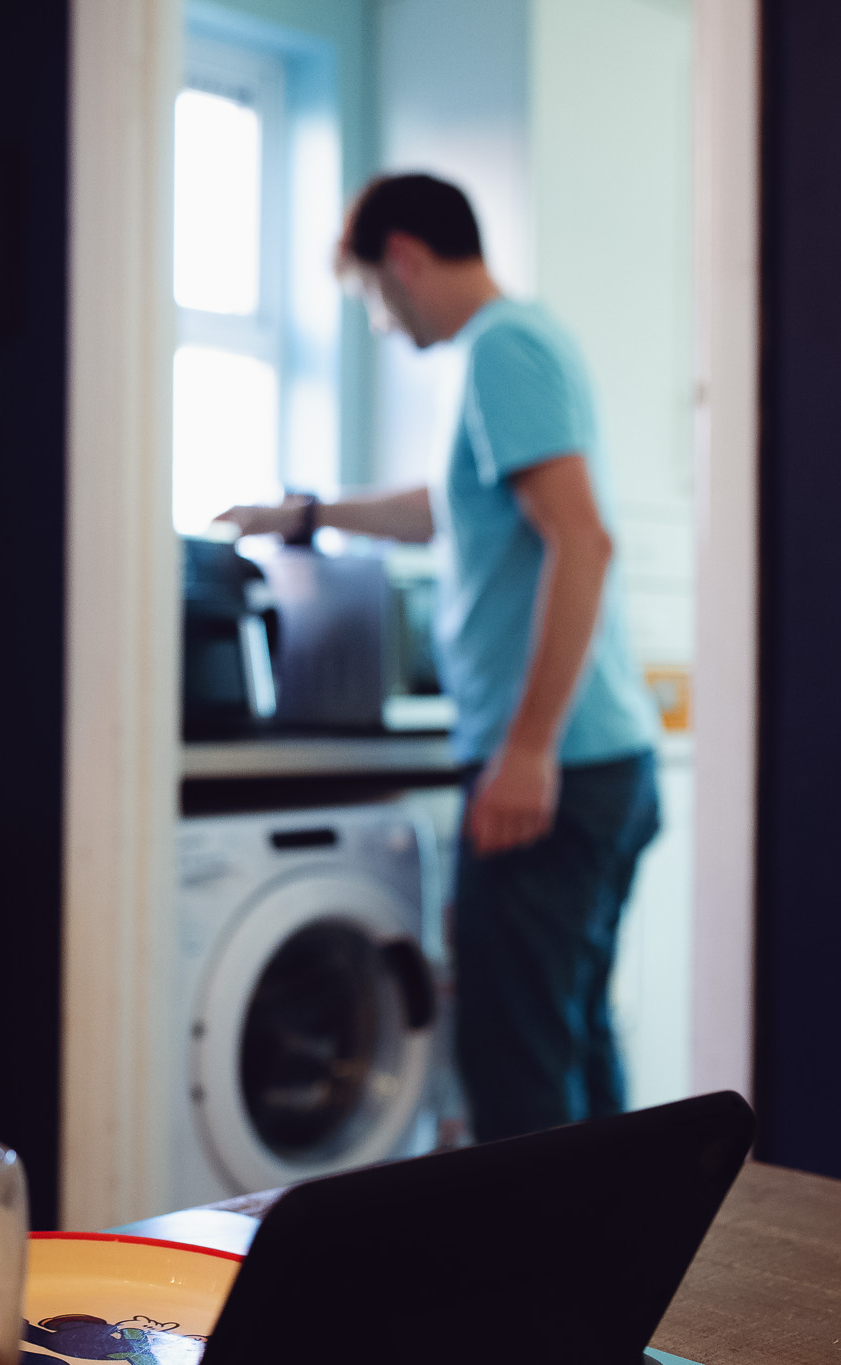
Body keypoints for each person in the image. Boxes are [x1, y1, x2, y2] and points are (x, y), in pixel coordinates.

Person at [217, 174, 662, 1144]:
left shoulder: (500, 346)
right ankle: (618, 1267)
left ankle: (543, 1288)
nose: (376, 323)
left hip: (558, 765)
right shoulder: (514, 345)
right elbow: (443, 509)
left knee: (515, 1059)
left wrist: (527, 747)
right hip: (600, 761)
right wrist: (306, 514)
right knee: (569, 1036)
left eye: (369, 295)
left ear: (404, 258)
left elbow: (578, 543)